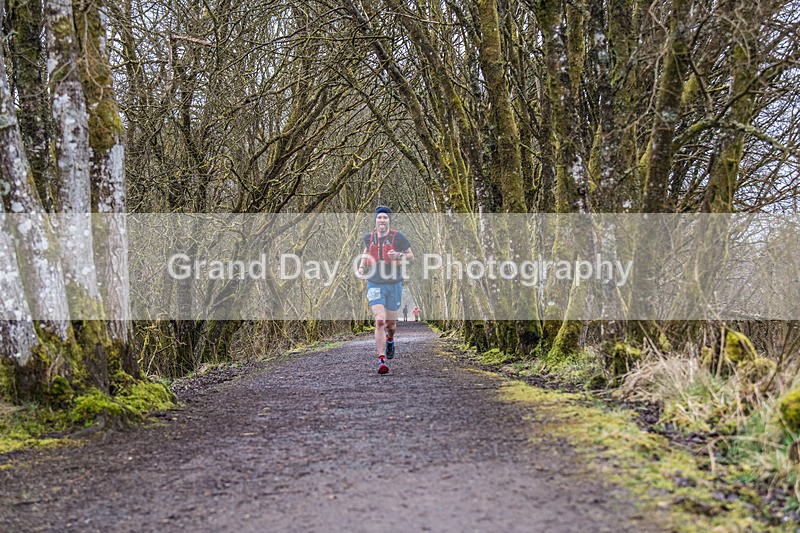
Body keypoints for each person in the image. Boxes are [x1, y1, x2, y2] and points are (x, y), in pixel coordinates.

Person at [357, 206, 414, 375]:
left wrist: (398, 255)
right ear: (375, 220)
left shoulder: (399, 237)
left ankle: (390, 339)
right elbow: (366, 251)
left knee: (391, 324)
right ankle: (381, 359)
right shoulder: (369, 238)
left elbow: (411, 256)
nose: (382, 220)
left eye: (385, 218)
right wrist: (361, 267)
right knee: (380, 320)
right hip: (374, 282)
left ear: (389, 221)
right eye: (379, 218)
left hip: (394, 283)